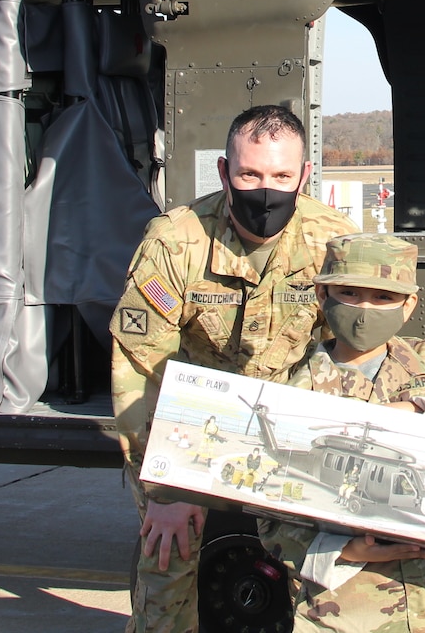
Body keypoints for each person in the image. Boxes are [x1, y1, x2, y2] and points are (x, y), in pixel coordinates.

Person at [110, 105, 356, 633]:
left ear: (304, 175)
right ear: (224, 172)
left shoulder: (334, 243)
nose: (265, 190)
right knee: (167, 564)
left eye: (281, 176)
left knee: (328, 583)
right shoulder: (176, 242)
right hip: (193, 430)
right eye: (249, 175)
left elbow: (356, 358)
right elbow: (140, 370)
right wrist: (168, 492)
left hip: (293, 432)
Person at [260, 233, 425, 633]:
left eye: (382, 298)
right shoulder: (292, 391)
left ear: (409, 305)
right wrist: (344, 549)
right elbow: (270, 515)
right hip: (346, 613)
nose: (364, 310)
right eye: (349, 293)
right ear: (322, 296)